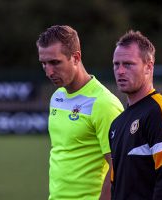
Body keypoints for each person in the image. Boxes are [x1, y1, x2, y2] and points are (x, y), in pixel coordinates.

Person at [36, 25, 123, 200]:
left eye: (55, 62)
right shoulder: (57, 96)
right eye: (44, 64)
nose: (49, 71)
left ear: (76, 58)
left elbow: (119, 167)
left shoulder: (104, 103)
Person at [109, 30, 162, 200]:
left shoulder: (160, 111)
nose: (120, 71)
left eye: (128, 64)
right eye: (116, 64)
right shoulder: (117, 123)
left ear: (148, 66)